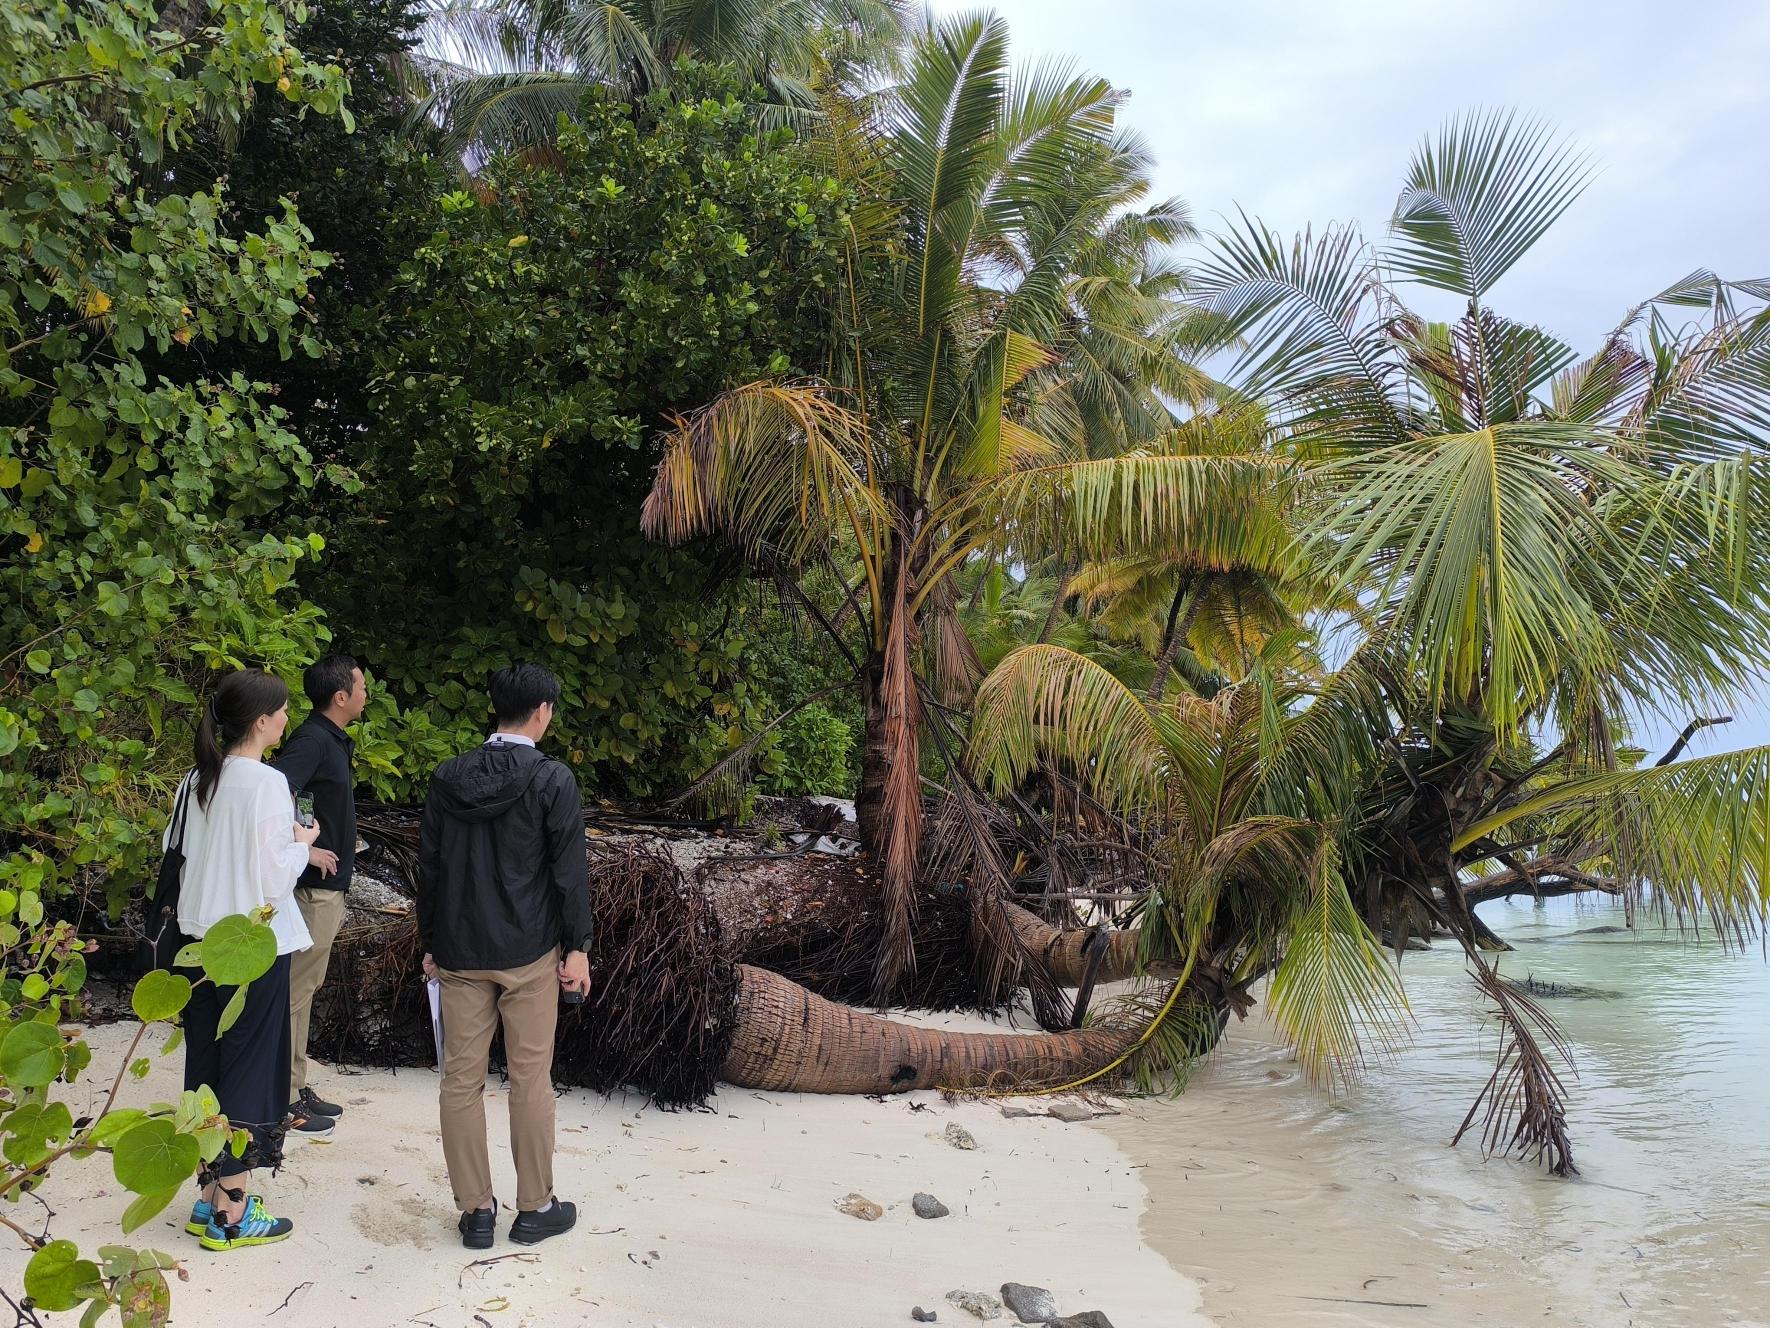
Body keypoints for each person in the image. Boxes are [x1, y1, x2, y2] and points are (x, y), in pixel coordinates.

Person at [418, 664, 594, 1250]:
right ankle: (535, 1207)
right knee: (530, 1080)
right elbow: (569, 874)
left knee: (460, 1082)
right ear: (542, 711)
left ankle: (475, 1213)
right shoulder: (552, 779)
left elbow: (430, 868)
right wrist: (578, 948)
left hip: (460, 951)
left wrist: (430, 941)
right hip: (528, 952)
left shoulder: (448, 777)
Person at [171, 669, 328, 1252]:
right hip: (251, 944)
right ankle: (232, 1212)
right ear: (261, 721)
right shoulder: (266, 782)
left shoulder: (196, 779)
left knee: (205, 1067)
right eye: (282, 710)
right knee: (251, 1070)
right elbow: (271, 877)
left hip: (196, 942)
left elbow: (179, 856)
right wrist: (303, 845)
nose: (287, 718)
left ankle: (208, 1195)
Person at [271, 653, 367, 1135]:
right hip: (314, 890)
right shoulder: (312, 739)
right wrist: (304, 850)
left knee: (305, 988)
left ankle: (295, 1082)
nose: (366, 694)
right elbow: (275, 791)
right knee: (295, 990)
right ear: (341, 696)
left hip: (328, 888)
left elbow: (302, 797)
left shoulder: (329, 739)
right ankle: (281, 1096)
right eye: (361, 687)